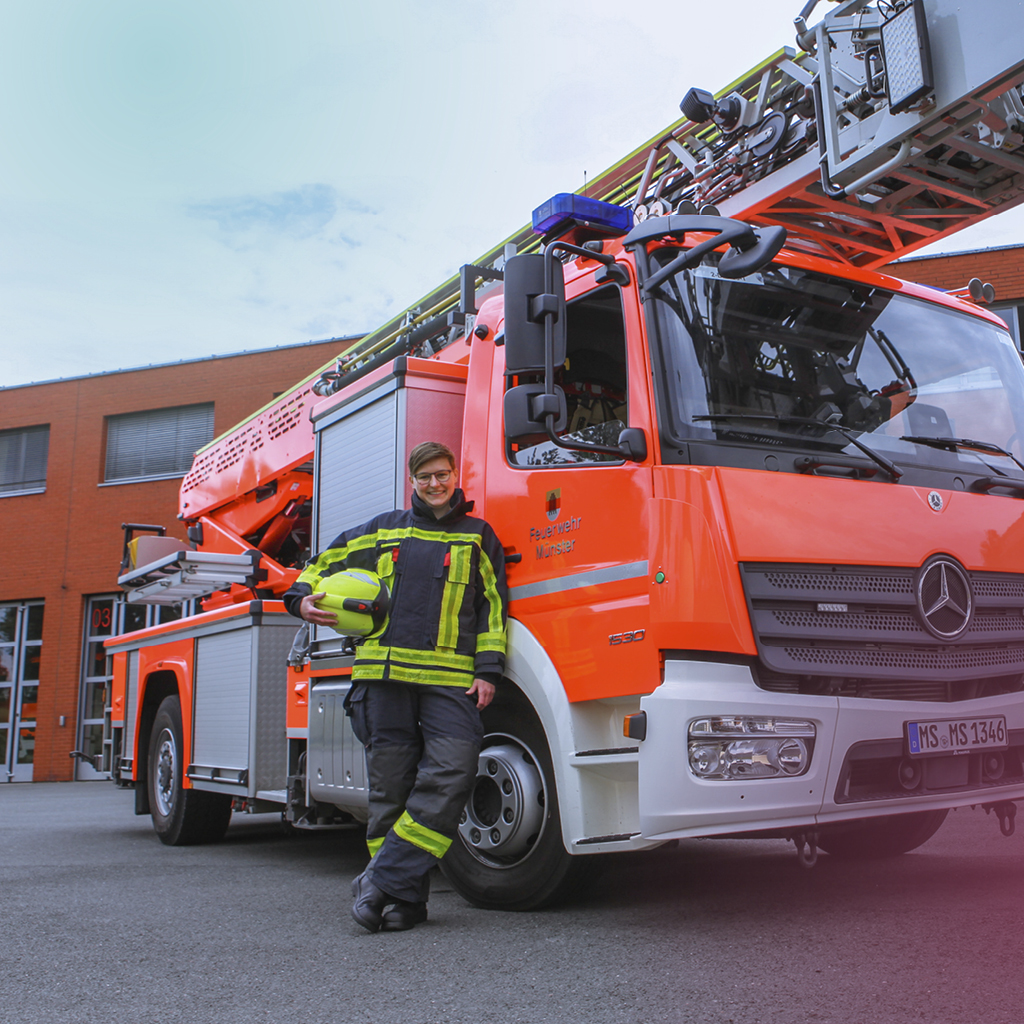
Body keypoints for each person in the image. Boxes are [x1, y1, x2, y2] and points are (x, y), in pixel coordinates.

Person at [283, 441, 508, 932]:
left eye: (442, 474)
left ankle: (378, 880)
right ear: (413, 480)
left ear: (455, 476)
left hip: (450, 682)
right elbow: (325, 561)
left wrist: (488, 671)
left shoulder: (477, 536)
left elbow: (493, 608)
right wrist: (299, 600)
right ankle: (405, 901)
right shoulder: (384, 530)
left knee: (453, 773)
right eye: (424, 476)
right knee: (391, 792)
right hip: (382, 681)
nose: (434, 484)